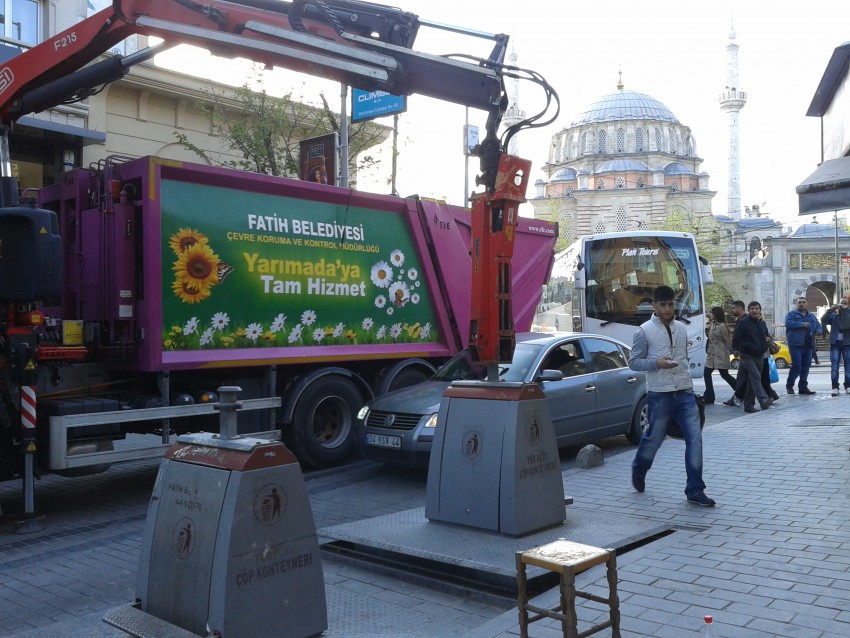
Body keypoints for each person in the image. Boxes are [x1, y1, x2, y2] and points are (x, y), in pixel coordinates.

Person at [629, 285, 714, 507]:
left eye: (671, 304)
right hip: (660, 393)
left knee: (695, 439)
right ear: (654, 306)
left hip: (684, 390)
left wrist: (690, 387)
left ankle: (695, 490)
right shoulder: (644, 331)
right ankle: (639, 467)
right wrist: (657, 363)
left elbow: (683, 359)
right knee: (654, 438)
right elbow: (634, 362)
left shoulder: (682, 328)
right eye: (663, 305)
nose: (668, 309)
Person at [731, 301, 774, 413]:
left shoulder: (762, 323)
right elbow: (736, 338)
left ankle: (748, 405)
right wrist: (738, 348)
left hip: (760, 355)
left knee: (752, 381)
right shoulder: (743, 322)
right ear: (749, 311)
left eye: (756, 308)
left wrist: (766, 343)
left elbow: (765, 335)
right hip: (747, 355)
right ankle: (763, 399)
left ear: (760, 310)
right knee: (756, 377)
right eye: (752, 309)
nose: (754, 310)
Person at [784, 297, 821, 395]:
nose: (801, 304)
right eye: (799, 302)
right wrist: (802, 324)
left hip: (808, 345)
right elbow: (788, 323)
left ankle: (803, 388)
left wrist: (818, 331)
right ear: (797, 304)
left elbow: (818, 325)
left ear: (807, 304)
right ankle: (789, 385)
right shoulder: (791, 314)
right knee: (796, 366)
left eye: (804, 302)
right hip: (795, 345)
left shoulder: (811, 316)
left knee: (806, 367)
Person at [703, 306, 736, 404]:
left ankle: (740, 390)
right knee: (706, 373)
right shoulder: (712, 325)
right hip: (711, 355)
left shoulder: (722, 326)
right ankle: (709, 396)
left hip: (720, 354)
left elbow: (728, 341)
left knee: (724, 374)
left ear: (716, 314)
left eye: (712, 313)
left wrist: (733, 352)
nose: (710, 315)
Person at [820, 299, 850, 396]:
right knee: (834, 367)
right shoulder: (834, 316)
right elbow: (823, 320)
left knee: (848, 367)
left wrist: (845, 310)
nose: (842, 305)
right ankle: (835, 387)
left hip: (847, 343)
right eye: (841, 303)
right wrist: (831, 309)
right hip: (835, 343)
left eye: (845, 303)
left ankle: (848, 386)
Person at [723, 300, 747, 407]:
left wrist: (737, 349)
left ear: (739, 308)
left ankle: (737, 398)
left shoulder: (745, 320)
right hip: (744, 353)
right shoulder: (741, 320)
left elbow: (740, 337)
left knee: (743, 377)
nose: (731, 310)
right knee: (749, 378)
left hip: (746, 353)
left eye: (733, 308)